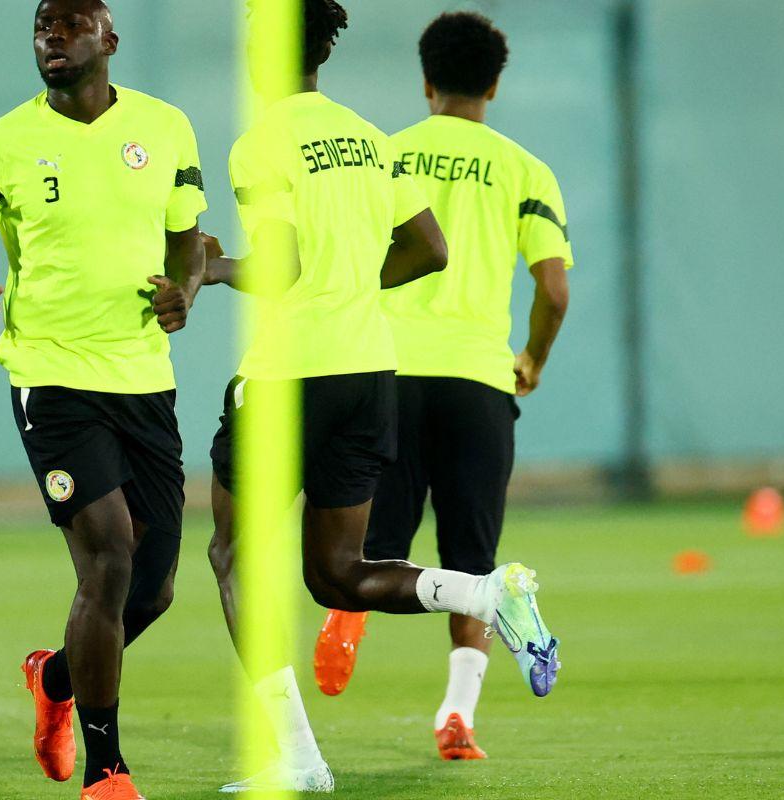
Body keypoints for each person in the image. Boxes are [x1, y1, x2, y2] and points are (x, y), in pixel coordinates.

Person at [202, 1, 560, 792]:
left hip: (289, 375)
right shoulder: (365, 136)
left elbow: (283, 265)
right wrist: (352, 290)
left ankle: (298, 759)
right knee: (337, 574)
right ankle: (485, 589)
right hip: (368, 373)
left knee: (231, 554)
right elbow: (429, 248)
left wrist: (214, 267)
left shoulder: (260, 140)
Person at [0, 1, 206, 796]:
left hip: (144, 379)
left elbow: (188, 239)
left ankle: (53, 682)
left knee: (152, 587)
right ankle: (107, 769)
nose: (51, 39)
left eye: (70, 26)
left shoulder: (167, 128)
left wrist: (182, 292)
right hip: (51, 378)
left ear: (109, 40)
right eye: (42, 29)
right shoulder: (0, 144)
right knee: (109, 559)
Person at [312, 11, 574, 761]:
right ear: (494, 83)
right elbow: (553, 290)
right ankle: (457, 717)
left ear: (425, 81)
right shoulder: (526, 170)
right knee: (475, 566)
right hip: (476, 381)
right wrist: (532, 358)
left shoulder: (385, 156)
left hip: (387, 374)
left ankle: (347, 618)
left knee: (366, 554)